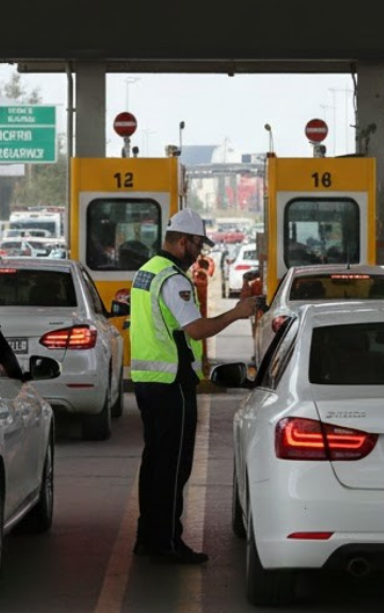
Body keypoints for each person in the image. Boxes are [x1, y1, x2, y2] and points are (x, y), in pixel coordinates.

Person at [130, 208, 260, 565]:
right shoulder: (173, 279)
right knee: (174, 467)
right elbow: (196, 329)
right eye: (199, 244)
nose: (200, 252)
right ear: (183, 241)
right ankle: (167, 542)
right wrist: (237, 311)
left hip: (147, 380)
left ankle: (148, 536)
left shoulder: (146, 272)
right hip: (172, 381)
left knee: (154, 462)